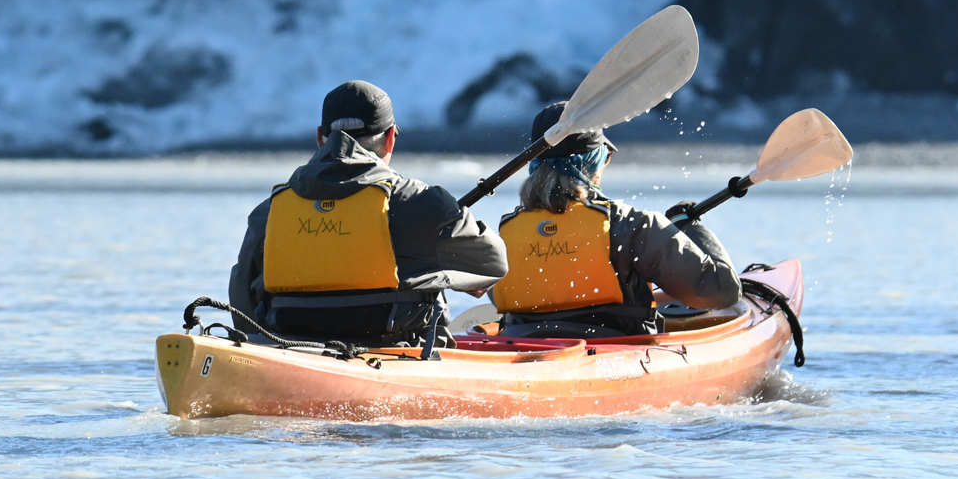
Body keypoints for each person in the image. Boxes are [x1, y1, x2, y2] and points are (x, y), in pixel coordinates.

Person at [228, 81, 508, 346]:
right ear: (389, 139)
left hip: (292, 348)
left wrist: (259, 352)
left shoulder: (271, 209)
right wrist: (441, 273)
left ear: (319, 138)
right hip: (395, 349)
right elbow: (493, 263)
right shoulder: (422, 202)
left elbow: (242, 295)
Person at [491, 101, 741, 338]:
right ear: (592, 163)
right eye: (605, 157)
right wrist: (688, 225)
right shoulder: (631, 226)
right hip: (615, 350)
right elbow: (721, 292)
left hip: (521, 347)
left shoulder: (503, 236)